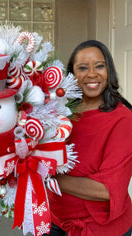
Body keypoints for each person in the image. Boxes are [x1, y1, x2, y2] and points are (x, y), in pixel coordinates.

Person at [44, 40, 132, 236]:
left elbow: (106, 190)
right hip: (54, 219)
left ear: (109, 71)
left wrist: (45, 175)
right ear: (72, 75)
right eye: (82, 68)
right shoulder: (60, 112)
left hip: (100, 227)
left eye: (99, 66)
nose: (92, 74)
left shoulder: (123, 119)